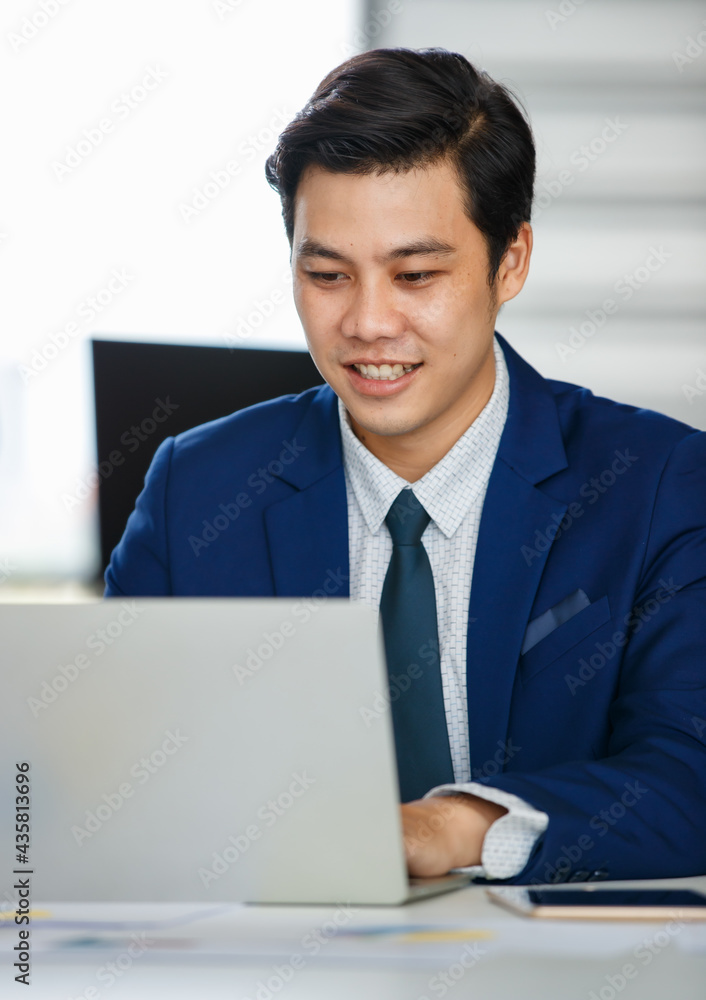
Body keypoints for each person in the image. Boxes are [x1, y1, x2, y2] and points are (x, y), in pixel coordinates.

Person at [105, 47, 706, 886]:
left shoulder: (660, 483)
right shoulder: (196, 489)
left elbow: (687, 779)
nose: (368, 322)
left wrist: (451, 826)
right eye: (327, 274)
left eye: (416, 274)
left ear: (510, 262)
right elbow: (108, 777)